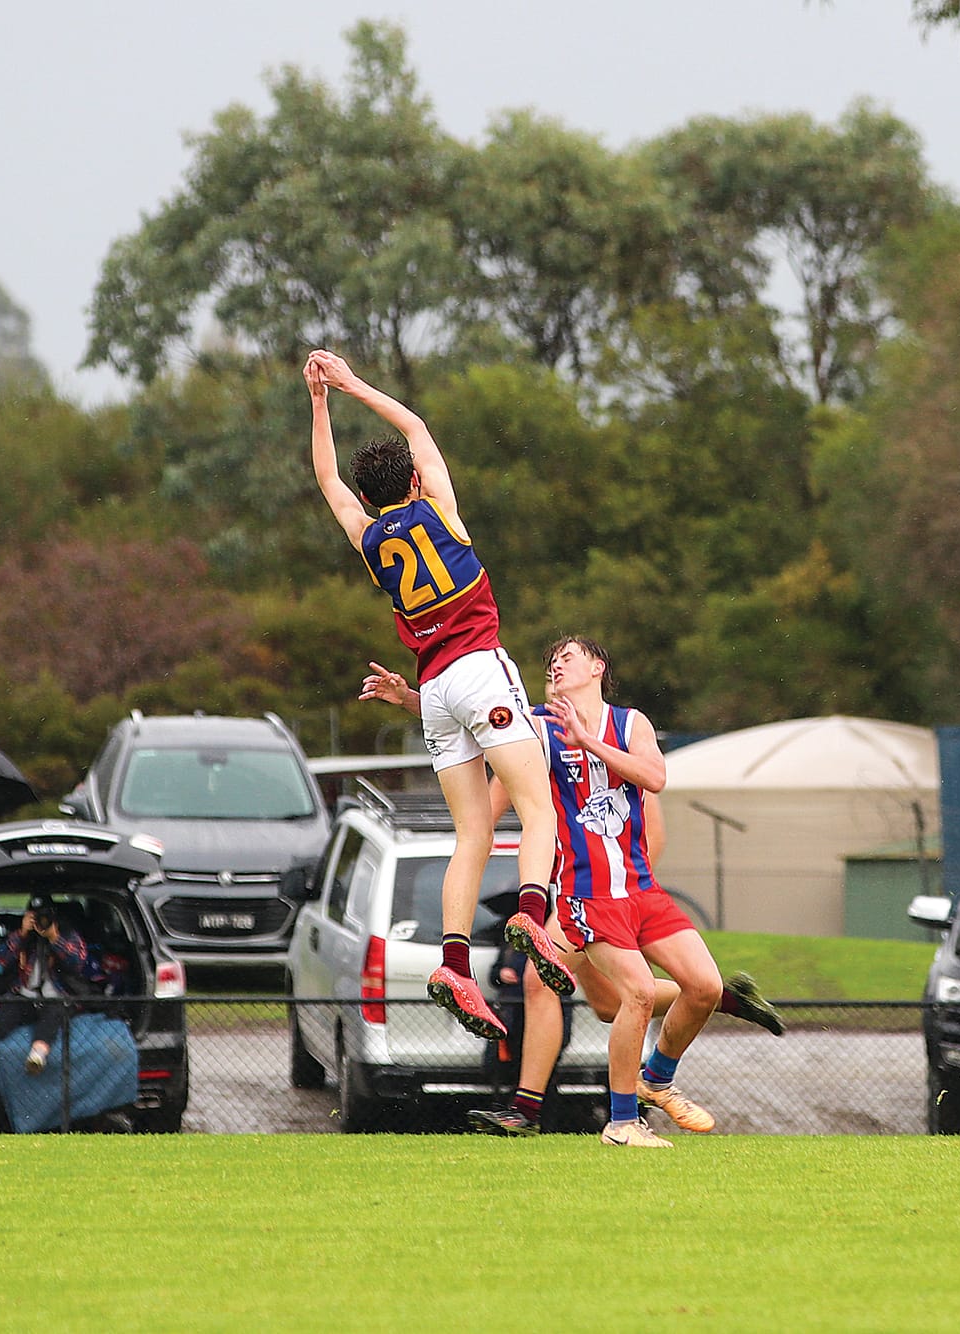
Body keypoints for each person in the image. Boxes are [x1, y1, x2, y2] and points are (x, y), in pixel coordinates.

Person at [362, 637, 784, 1147]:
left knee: (683, 991)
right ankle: (600, 1118)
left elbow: (654, 776)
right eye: (551, 662)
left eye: (569, 656)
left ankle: (659, 1073)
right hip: (582, 894)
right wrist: (412, 700)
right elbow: (474, 727)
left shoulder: (631, 724)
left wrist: (590, 742)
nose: (556, 664)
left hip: (640, 891)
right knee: (619, 993)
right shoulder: (536, 728)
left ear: (598, 667)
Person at [304, 347, 562, 1043]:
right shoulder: (441, 511)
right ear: (416, 479)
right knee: (539, 809)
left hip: (436, 688)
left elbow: (327, 478)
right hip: (480, 668)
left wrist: (318, 401)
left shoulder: (368, 539)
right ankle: (532, 916)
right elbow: (414, 425)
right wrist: (351, 382)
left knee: (471, 834)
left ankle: (453, 964)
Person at [0, 896, 107, 1074]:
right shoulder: (24, 936)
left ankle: (37, 1055)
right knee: (10, 1011)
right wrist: (23, 933)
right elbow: (2, 959)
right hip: (26, 996)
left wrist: (54, 938)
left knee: (54, 1014)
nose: (41, 921)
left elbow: (78, 961)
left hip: (57, 998)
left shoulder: (67, 933)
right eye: (36, 917)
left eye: (45, 916)